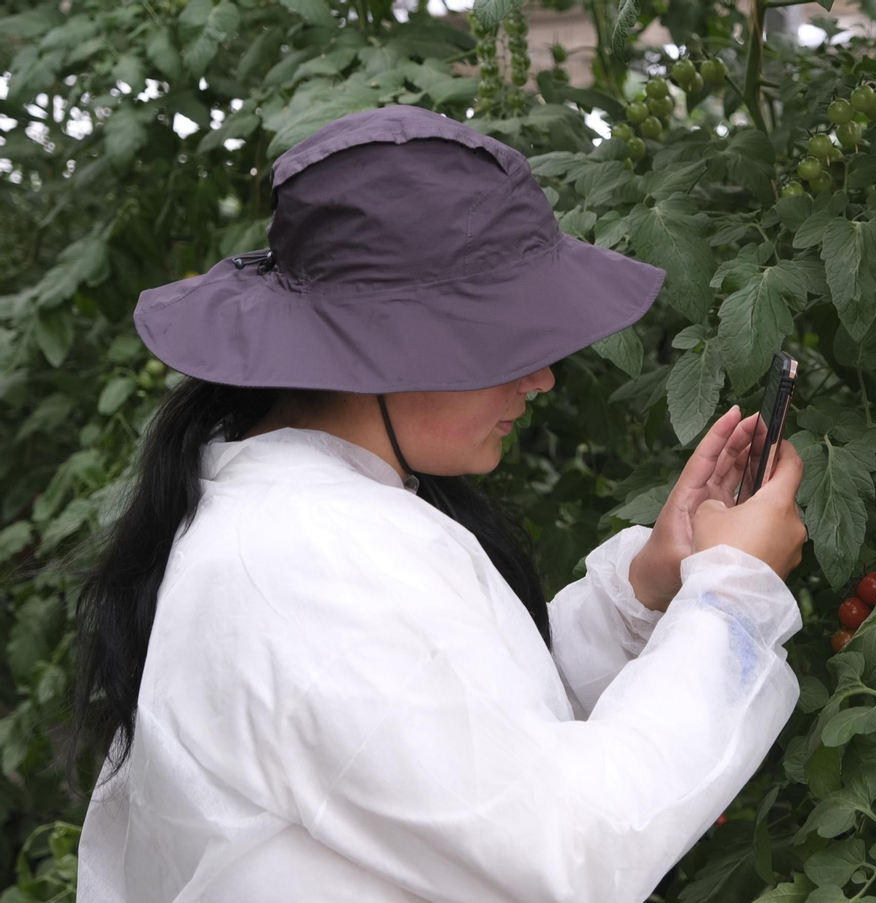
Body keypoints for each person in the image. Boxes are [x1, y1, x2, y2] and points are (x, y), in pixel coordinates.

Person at [67, 105, 809, 902]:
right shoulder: (309, 557)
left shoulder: (302, 518)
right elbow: (569, 850)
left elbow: (458, 733)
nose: (541, 376)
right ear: (387, 344)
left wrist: (647, 589)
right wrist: (732, 595)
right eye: (508, 339)